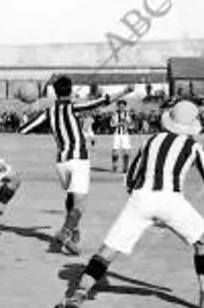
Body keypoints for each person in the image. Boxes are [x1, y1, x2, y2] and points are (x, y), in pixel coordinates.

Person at [52, 101, 204, 308]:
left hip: (141, 198)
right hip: (172, 200)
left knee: (108, 251)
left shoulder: (151, 140)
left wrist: (141, 203)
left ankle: (77, 295)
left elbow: (132, 176)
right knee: (202, 243)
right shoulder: (194, 146)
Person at [19, 77, 135, 255]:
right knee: (80, 204)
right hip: (78, 159)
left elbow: (23, 130)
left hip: (62, 161)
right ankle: (66, 232)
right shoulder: (74, 106)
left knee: (71, 197)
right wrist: (125, 90)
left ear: (55, 93)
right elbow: (102, 101)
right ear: (70, 91)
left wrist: (29, 108)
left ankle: (74, 232)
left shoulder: (48, 111)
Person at [110, 98, 134, 173]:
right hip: (117, 134)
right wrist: (119, 124)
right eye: (120, 106)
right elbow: (112, 124)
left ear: (125, 106)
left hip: (125, 134)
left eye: (123, 106)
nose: (121, 107)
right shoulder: (115, 114)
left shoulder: (128, 114)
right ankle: (114, 166)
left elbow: (132, 125)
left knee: (126, 151)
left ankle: (125, 167)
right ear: (118, 106)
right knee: (115, 150)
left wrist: (127, 123)